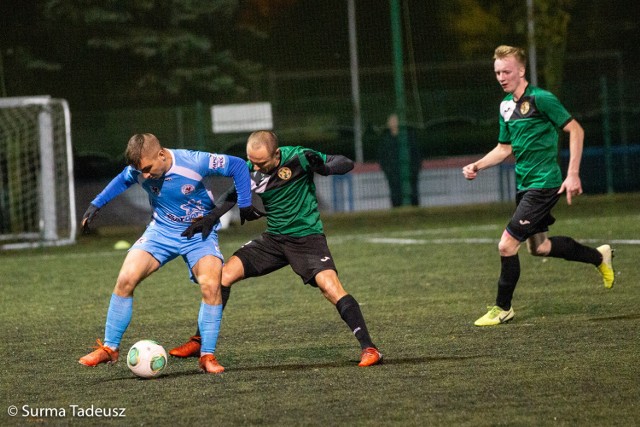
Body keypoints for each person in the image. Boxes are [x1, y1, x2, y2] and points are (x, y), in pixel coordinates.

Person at [170, 130, 383, 367]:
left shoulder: (300, 157)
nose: (256, 167)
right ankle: (200, 340)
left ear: (277, 154)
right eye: (253, 161)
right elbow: (232, 195)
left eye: (262, 162)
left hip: (307, 240)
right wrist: (210, 218)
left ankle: (370, 349)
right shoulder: (251, 167)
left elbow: (345, 163)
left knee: (330, 287)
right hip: (273, 240)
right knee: (222, 277)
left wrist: (324, 167)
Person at [78, 133, 262, 373]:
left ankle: (207, 356)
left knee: (211, 285)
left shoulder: (194, 161)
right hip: (161, 232)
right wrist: (97, 203)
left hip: (198, 234)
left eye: (147, 168)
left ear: (162, 154)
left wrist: (245, 203)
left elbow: (238, 165)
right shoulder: (138, 169)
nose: (144, 176)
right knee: (125, 279)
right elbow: (124, 179)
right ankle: (110, 349)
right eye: (139, 171)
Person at [462, 45, 615, 326]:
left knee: (506, 245)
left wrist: (573, 173)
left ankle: (503, 308)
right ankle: (599, 256)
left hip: (544, 184)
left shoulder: (542, 99)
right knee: (539, 247)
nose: (501, 77)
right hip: (525, 184)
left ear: (521, 71)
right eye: (497, 72)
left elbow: (576, 130)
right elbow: (503, 148)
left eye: (506, 71)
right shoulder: (506, 106)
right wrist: (477, 166)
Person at [378, 113, 422, 207]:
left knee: (412, 194)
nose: (393, 123)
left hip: (409, 175)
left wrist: (414, 170)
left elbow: (416, 155)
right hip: (393, 176)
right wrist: (388, 172)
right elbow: (382, 158)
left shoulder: (408, 137)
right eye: (391, 121)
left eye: (395, 120)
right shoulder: (385, 140)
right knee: (396, 197)